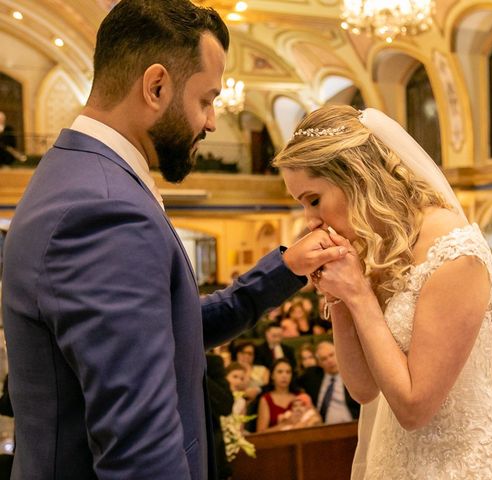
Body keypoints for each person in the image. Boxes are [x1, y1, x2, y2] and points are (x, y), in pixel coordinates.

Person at [0, 2, 346, 479]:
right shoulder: (104, 209)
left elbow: (166, 331)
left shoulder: (83, 176)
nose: (211, 123)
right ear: (156, 86)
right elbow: (140, 450)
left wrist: (284, 269)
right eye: (206, 100)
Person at [273, 105, 492, 479]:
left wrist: (359, 296)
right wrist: (337, 296)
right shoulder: (379, 246)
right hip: (394, 461)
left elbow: (415, 409)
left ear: (356, 177)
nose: (310, 220)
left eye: (314, 199)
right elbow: (363, 388)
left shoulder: (455, 253)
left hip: (462, 465)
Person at [298, 341, 359, 424]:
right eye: (324, 359)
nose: (329, 360)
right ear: (319, 363)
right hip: (323, 428)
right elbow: (292, 384)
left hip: (353, 424)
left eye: (331, 355)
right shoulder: (312, 376)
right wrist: (302, 395)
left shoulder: (353, 373)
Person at [256, 359, 299, 432]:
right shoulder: (266, 399)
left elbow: (315, 418)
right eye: (280, 372)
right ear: (272, 375)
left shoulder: (300, 396)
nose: (284, 376)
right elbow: (260, 433)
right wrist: (284, 425)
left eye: (288, 372)